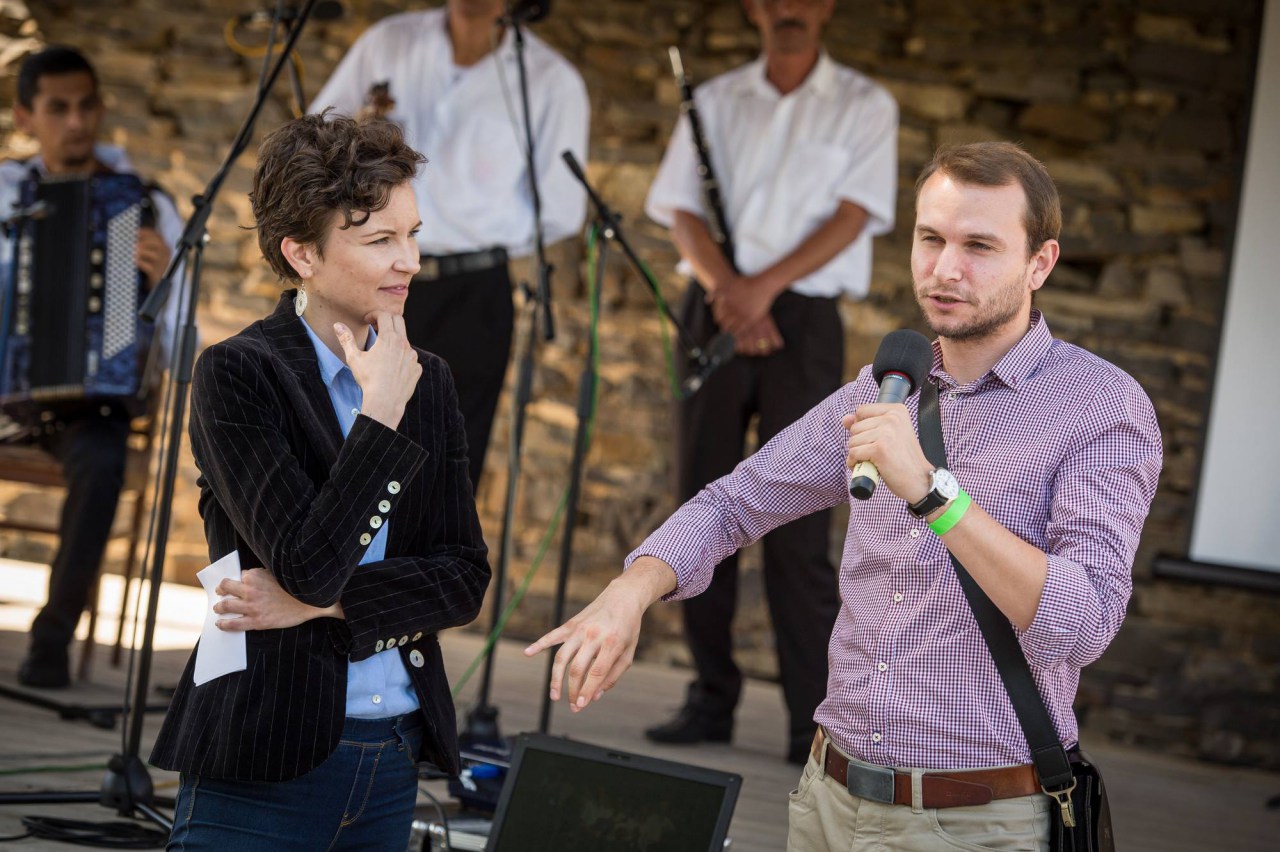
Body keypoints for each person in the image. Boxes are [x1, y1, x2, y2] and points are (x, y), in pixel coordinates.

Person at [527, 141, 1164, 851]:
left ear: (1039, 263)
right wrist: (633, 589)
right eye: (931, 239)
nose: (945, 269)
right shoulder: (887, 385)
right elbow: (735, 501)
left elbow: (1083, 624)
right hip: (827, 802)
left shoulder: (1101, 407)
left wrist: (934, 495)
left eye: (979, 246)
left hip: (976, 821)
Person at [149, 113, 491, 850]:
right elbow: (308, 563)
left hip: (394, 753)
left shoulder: (429, 380)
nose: (411, 261)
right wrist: (380, 414)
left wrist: (323, 608)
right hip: (264, 752)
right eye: (380, 240)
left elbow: (463, 578)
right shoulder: (239, 374)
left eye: (413, 234)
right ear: (301, 253)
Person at [641, 0, 898, 763]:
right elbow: (681, 209)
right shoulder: (717, 98)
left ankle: (806, 720)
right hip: (715, 303)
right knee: (701, 499)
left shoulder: (865, 103)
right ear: (755, 8)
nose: (790, 8)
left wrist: (761, 290)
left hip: (803, 317)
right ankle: (709, 697)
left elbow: (853, 216)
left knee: (801, 523)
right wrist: (731, 291)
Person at [311, 0, 589, 490]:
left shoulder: (549, 79)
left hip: (470, 287)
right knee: (334, 434)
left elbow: (561, 209)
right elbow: (314, 138)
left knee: (442, 463)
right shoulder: (389, 42)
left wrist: (473, 226)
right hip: (366, 274)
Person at [0, 45, 183, 689]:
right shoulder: (5, 194)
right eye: (58, 108)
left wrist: (164, 280)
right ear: (25, 116)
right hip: (6, 396)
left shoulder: (142, 204)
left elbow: (175, 336)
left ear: (102, 107)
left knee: (103, 462)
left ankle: (51, 640)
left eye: (86, 106)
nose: (76, 122)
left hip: (87, 404)